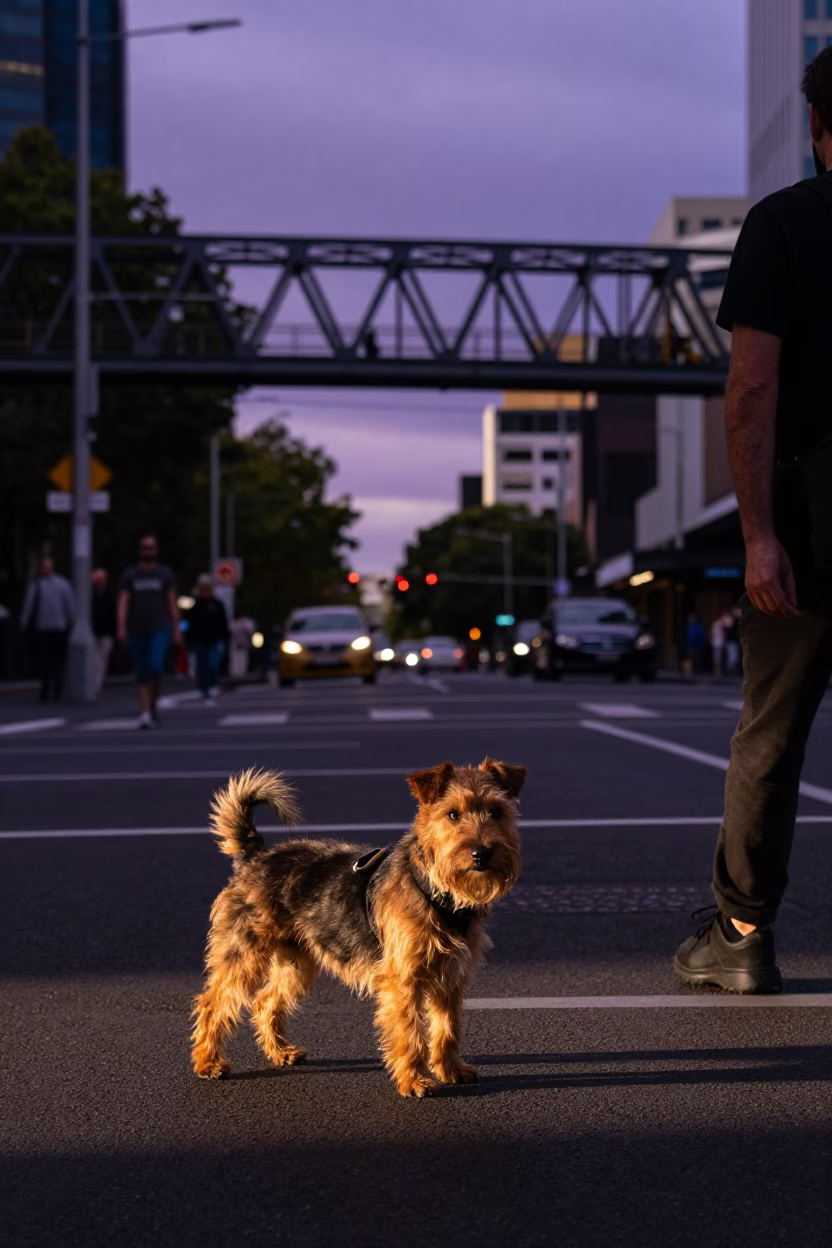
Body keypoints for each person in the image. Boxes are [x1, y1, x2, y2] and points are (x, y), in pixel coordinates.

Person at [675, 46, 832, 993]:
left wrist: (759, 534)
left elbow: (751, 388)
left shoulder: (784, 224)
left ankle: (740, 937)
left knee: (770, 737)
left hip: (814, 529)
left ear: (819, 130)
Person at [117, 535, 180, 729]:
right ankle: (145, 712)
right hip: (137, 628)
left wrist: (177, 627)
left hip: (159, 627)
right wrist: (120, 626)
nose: (148, 551)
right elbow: (123, 601)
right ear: (139, 551)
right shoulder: (131, 575)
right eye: (144, 548)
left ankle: (153, 702)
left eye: (151, 548)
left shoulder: (164, 574)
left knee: (156, 666)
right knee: (142, 671)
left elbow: (171, 601)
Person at [20, 556, 75, 701]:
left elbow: (69, 605)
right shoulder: (38, 585)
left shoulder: (61, 584)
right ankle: (47, 688)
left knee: (55, 660)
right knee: (46, 660)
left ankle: (56, 688)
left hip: (57, 627)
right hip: (44, 627)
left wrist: (71, 620)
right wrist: (24, 621)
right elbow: (29, 604)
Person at [186, 575, 229, 704]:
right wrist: (189, 640)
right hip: (200, 640)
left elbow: (223, 623)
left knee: (213, 663)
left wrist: (224, 638)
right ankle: (204, 688)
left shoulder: (217, 604)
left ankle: (213, 684)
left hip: (215, 640)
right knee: (202, 665)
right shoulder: (196, 606)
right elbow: (190, 623)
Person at [91, 568, 116, 698]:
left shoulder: (109, 596)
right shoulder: (90, 596)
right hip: (93, 631)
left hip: (106, 632)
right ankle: (92, 683)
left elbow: (113, 614)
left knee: (101, 660)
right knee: (93, 659)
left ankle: (97, 684)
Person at [229, 611, 254, 679]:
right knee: (235, 658)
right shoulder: (234, 623)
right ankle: (235, 673)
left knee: (243, 658)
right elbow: (231, 631)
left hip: (244, 643)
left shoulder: (247, 622)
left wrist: (243, 625)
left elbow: (250, 631)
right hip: (235, 643)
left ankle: (242, 673)